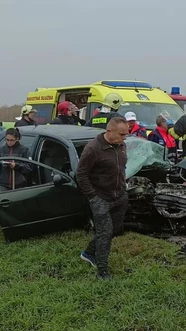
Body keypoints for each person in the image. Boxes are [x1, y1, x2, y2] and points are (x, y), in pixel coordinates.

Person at [76, 117, 129, 280]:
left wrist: (123, 187)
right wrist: (93, 196)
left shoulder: (121, 145)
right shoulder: (93, 149)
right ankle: (102, 271)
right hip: (101, 199)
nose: (124, 137)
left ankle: (88, 253)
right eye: (121, 134)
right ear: (109, 131)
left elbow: (121, 168)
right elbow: (81, 174)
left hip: (119, 196)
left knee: (113, 230)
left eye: (126, 134)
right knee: (105, 233)